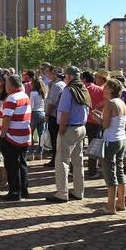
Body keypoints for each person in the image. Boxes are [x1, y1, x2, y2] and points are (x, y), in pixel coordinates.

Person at [47, 66, 90, 203]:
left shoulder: (69, 90)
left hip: (70, 129)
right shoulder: (83, 89)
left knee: (62, 161)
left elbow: (65, 112)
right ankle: (78, 191)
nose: (64, 78)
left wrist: (61, 129)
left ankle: (62, 192)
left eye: (65, 76)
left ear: (70, 77)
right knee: (78, 162)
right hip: (81, 128)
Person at [93, 78, 126, 214]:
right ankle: (121, 202)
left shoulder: (110, 103)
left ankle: (110, 205)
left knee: (109, 172)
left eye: (106, 87)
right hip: (121, 139)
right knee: (119, 170)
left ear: (111, 89)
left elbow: (106, 124)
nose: (103, 89)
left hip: (111, 140)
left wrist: (98, 119)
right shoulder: (122, 103)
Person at [0, 74, 31, 202]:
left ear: (11, 85)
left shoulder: (11, 98)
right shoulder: (24, 95)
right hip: (23, 135)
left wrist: (2, 133)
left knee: (11, 165)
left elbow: (7, 118)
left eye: (7, 84)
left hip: (12, 136)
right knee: (22, 163)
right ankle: (23, 189)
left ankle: (14, 191)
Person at [82, 71, 105, 177]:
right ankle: (92, 171)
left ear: (84, 79)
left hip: (83, 120)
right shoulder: (100, 89)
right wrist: (98, 107)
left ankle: (74, 169)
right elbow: (106, 101)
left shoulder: (82, 90)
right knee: (93, 147)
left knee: (77, 146)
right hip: (95, 121)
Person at [44, 67, 66, 167]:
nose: (46, 74)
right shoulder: (54, 84)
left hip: (54, 116)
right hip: (57, 115)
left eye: (48, 72)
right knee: (56, 140)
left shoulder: (57, 86)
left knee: (55, 139)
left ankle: (55, 160)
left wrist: (47, 114)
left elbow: (52, 103)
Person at [28, 76, 48, 161]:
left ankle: (30, 153)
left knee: (30, 134)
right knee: (41, 134)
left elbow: (31, 105)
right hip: (42, 113)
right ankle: (39, 153)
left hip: (34, 113)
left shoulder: (33, 93)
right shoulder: (44, 93)